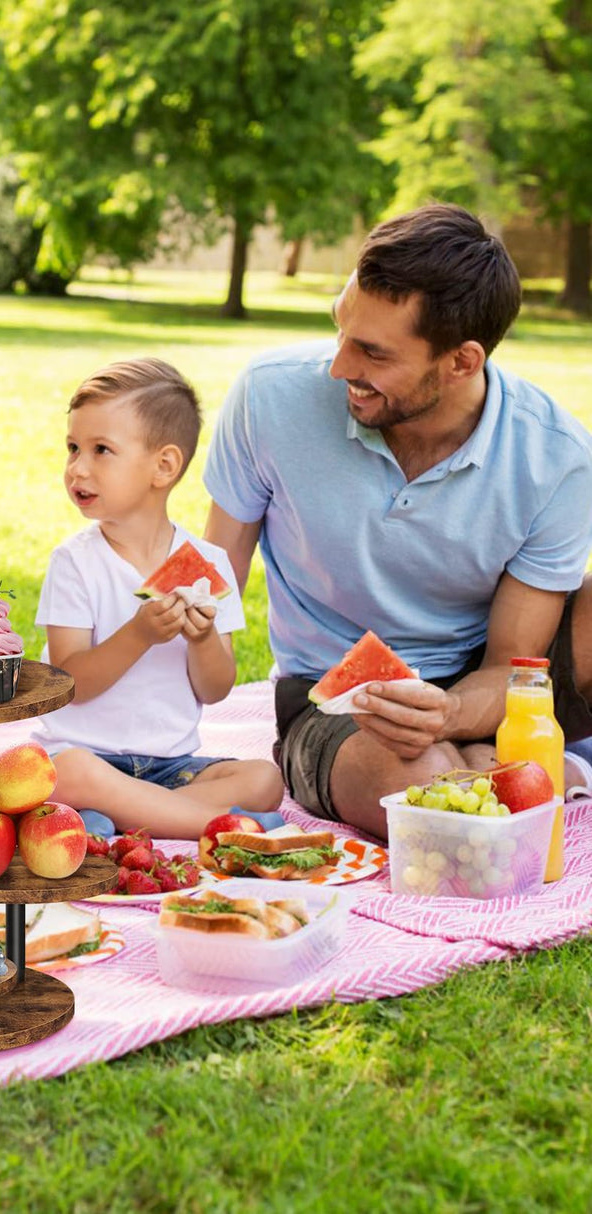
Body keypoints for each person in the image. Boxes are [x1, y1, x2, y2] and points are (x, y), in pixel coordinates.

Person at [203, 203, 592, 838]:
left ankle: (514, 758)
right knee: (429, 803)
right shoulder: (269, 397)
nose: (339, 368)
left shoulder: (555, 456)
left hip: (477, 682)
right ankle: (534, 768)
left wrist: (451, 712)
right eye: (340, 329)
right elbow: (209, 585)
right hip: (331, 697)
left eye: (373, 353)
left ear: (463, 361)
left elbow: (513, 666)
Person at [30, 359, 284, 838]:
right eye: (72, 448)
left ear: (163, 466)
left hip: (170, 766)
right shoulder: (75, 562)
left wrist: (205, 637)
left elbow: (215, 688)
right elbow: (70, 683)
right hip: (82, 757)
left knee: (264, 779)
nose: (77, 468)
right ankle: (215, 825)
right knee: (73, 774)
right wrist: (140, 633)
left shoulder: (206, 562)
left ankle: (127, 820)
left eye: (101, 450)